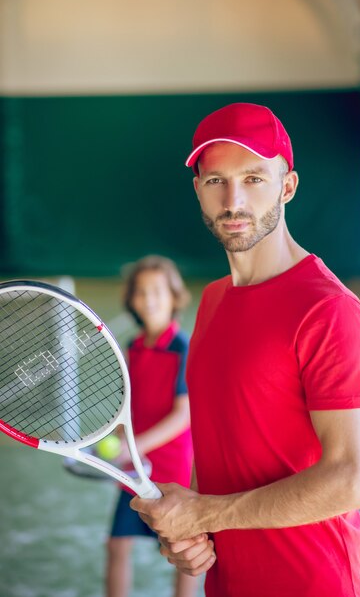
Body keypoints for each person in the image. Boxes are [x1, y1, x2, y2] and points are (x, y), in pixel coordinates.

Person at [130, 103, 360, 597]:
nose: (233, 200)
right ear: (198, 189)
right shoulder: (213, 301)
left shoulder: (328, 310)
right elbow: (219, 440)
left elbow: (352, 480)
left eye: (253, 178)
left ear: (287, 186)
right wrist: (192, 532)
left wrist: (206, 512)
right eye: (215, 180)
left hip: (314, 582)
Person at [105, 255, 199, 597]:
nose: (150, 299)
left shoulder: (184, 347)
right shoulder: (131, 347)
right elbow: (127, 406)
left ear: (175, 297)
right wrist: (120, 439)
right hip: (135, 468)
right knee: (117, 546)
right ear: (132, 300)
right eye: (141, 292)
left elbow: (182, 415)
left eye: (158, 291)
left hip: (174, 467)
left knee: (184, 549)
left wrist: (133, 446)